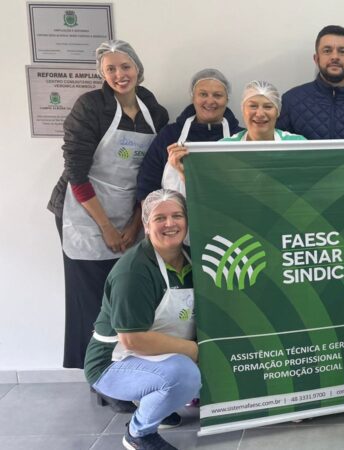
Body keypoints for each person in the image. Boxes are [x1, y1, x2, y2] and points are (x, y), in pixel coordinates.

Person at [47, 39, 168, 370]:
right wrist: (106, 227)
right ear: (101, 73)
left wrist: (132, 225)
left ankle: (129, 369)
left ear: (138, 70)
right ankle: (99, 374)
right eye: (110, 69)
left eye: (125, 67)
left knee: (127, 295)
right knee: (92, 299)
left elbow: (150, 172)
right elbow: (76, 173)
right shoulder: (90, 107)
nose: (119, 74)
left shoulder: (153, 111)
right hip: (85, 212)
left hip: (131, 211)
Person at [85, 189, 199, 450]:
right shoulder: (134, 271)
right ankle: (139, 433)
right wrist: (195, 350)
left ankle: (154, 402)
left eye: (177, 216)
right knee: (186, 375)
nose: (170, 224)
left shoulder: (192, 259)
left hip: (157, 355)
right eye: (160, 218)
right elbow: (133, 339)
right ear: (146, 226)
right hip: (113, 363)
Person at [164, 80, 306, 182]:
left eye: (268, 106)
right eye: (253, 106)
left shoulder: (298, 144)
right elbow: (209, 191)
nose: (260, 113)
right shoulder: (223, 148)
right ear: (243, 110)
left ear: (278, 112)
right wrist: (184, 172)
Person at [136, 68, 243, 200]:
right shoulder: (170, 134)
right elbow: (147, 185)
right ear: (193, 98)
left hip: (228, 218)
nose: (210, 101)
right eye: (203, 94)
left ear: (227, 99)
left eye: (217, 95)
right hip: (174, 219)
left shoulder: (241, 137)